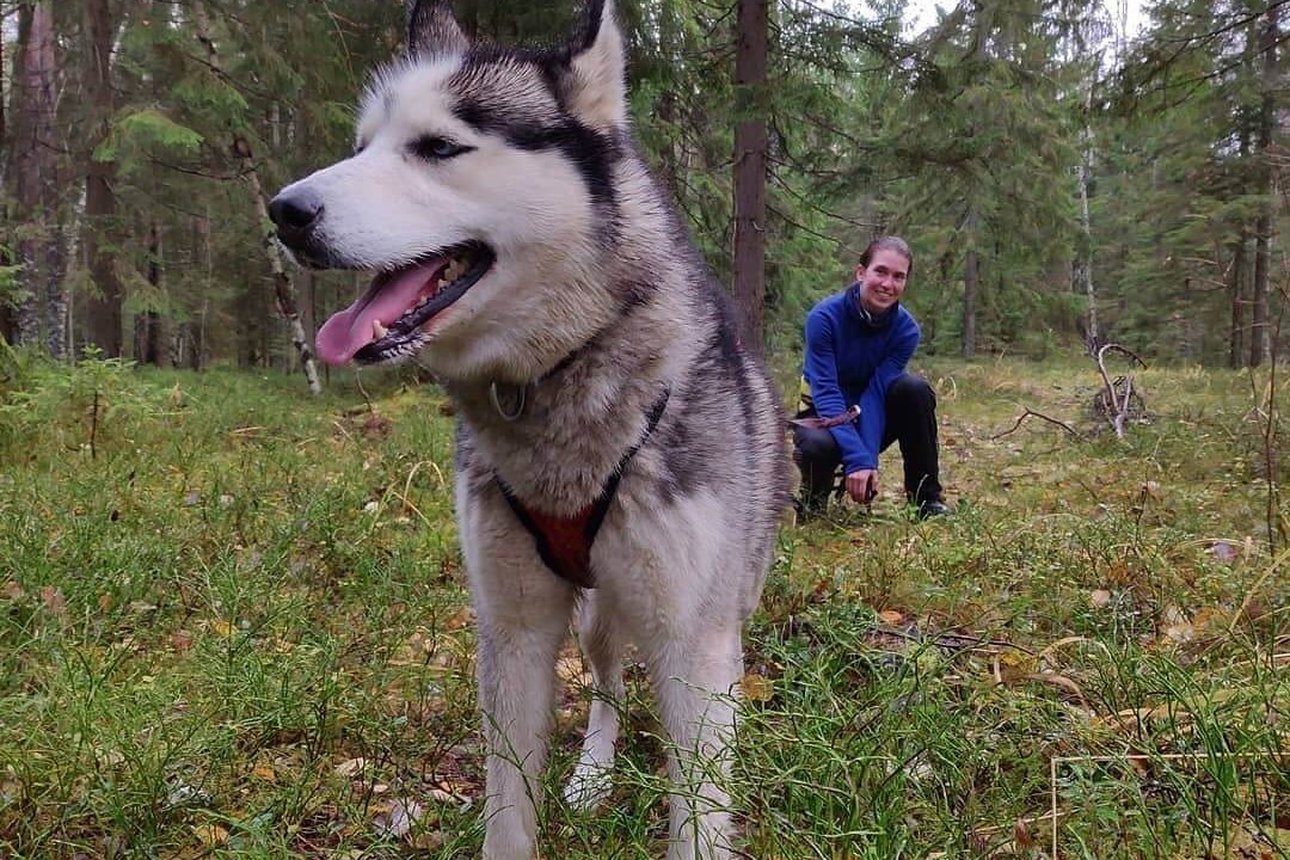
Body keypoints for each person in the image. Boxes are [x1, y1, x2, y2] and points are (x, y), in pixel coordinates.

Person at [793, 236, 952, 520]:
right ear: (860, 272)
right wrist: (858, 459)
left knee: (914, 390)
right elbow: (827, 394)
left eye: (898, 277)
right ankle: (813, 501)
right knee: (819, 446)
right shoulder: (824, 318)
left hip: (868, 411)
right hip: (822, 413)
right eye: (880, 271)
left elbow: (876, 393)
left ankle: (926, 499)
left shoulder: (906, 331)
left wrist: (866, 460)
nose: (888, 284)